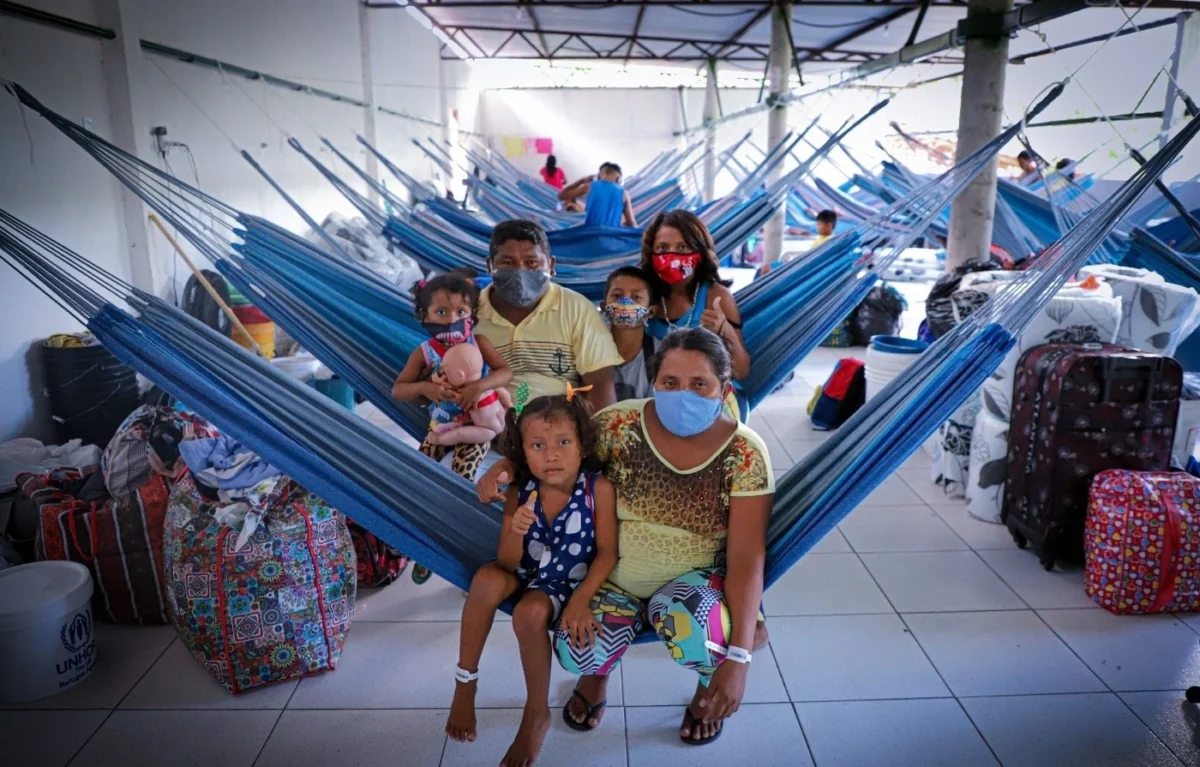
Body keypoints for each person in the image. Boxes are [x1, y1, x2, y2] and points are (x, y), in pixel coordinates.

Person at [477, 328, 773, 746]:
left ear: (724, 390)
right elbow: (558, 452)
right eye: (670, 382)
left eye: (699, 384)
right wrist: (506, 464)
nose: (683, 394)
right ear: (654, 382)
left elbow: (746, 555)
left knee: (711, 642)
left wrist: (739, 658)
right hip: (612, 577)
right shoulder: (618, 425)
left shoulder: (744, 452)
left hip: (693, 585)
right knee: (577, 648)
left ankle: (709, 684)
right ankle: (596, 675)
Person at [446, 391, 617, 767]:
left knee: (529, 613)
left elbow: (608, 553)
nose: (551, 454)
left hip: (564, 585)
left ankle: (536, 712)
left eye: (563, 442)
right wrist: (517, 527)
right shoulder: (521, 491)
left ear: (583, 445)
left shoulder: (597, 489)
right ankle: (465, 683)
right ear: (523, 453)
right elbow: (508, 562)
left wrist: (580, 600)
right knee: (486, 579)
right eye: (538, 445)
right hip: (524, 574)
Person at [391, 269, 514, 583]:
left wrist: (479, 386)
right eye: (442, 312)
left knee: (459, 485)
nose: (452, 319)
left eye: (460, 311)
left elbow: (505, 373)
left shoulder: (479, 342)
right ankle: (422, 546)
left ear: (472, 313)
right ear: (425, 315)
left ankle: (446, 550)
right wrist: (427, 388)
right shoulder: (425, 352)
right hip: (440, 429)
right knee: (419, 478)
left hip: (478, 429)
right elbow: (399, 390)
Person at [474, 220, 624, 413]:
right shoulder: (469, 313)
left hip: (562, 426)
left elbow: (600, 384)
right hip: (488, 426)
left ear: (551, 265)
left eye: (531, 262)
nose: (520, 272)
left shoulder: (576, 308)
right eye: (508, 263)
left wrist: (595, 431)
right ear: (490, 265)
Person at [641, 210, 751, 416]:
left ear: (700, 253)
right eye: (662, 248)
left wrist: (724, 329)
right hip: (657, 393)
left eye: (682, 247)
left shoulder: (716, 297)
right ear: (651, 254)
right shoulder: (643, 295)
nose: (672, 256)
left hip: (709, 397)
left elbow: (742, 370)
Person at [602, 266, 658, 402]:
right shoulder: (589, 350)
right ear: (604, 307)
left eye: (636, 297)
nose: (625, 302)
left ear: (651, 311)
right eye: (617, 295)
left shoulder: (661, 354)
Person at [558, 163, 637, 228]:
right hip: (611, 238)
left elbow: (561, 196)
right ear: (618, 179)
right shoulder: (624, 194)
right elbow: (633, 225)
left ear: (599, 175)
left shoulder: (588, 187)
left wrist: (581, 181)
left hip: (590, 234)